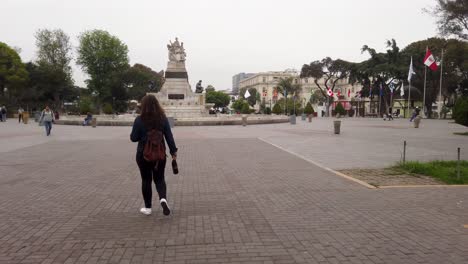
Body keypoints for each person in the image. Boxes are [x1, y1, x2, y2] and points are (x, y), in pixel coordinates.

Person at [130, 95, 178, 216]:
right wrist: (173, 151)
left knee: (146, 180)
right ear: (157, 105)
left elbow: (133, 138)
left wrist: (143, 135)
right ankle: (163, 199)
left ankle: (148, 208)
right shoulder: (163, 119)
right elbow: (169, 137)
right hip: (160, 155)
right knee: (159, 179)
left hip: (143, 155)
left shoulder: (139, 120)